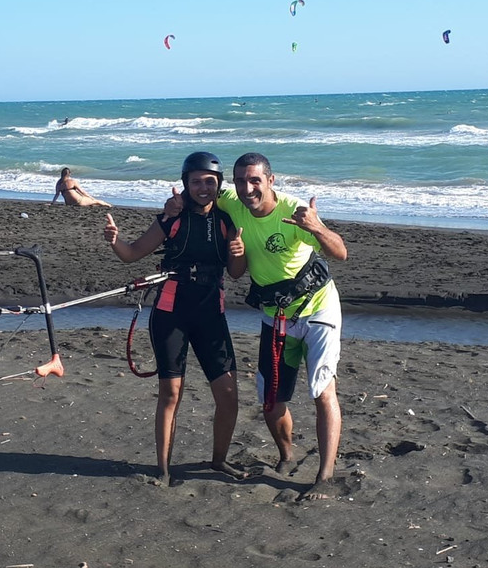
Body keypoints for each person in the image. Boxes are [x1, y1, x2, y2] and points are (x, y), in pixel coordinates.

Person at [168, 152, 348, 501]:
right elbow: (198, 192)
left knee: (323, 390)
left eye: (255, 180)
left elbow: (340, 253)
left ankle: (324, 476)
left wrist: (316, 227)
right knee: (270, 401)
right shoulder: (232, 201)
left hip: (317, 307)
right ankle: (287, 454)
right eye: (240, 180)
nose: (247, 188)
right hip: (275, 313)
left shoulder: (294, 211)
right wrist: (172, 206)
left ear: (270, 181)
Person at [104, 152, 247, 486]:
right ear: (186, 184)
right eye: (195, 181)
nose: (202, 188)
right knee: (171, 393)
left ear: (218, 185)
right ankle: (163, 469)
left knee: (228, 395)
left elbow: (237, 274)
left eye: (209, 182)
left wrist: (237, 252)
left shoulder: (226, 222)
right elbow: (131, 254)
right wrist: (115, 241)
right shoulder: (171, 219)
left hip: (212, 314)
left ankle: (218, 461)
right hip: (171, 314)